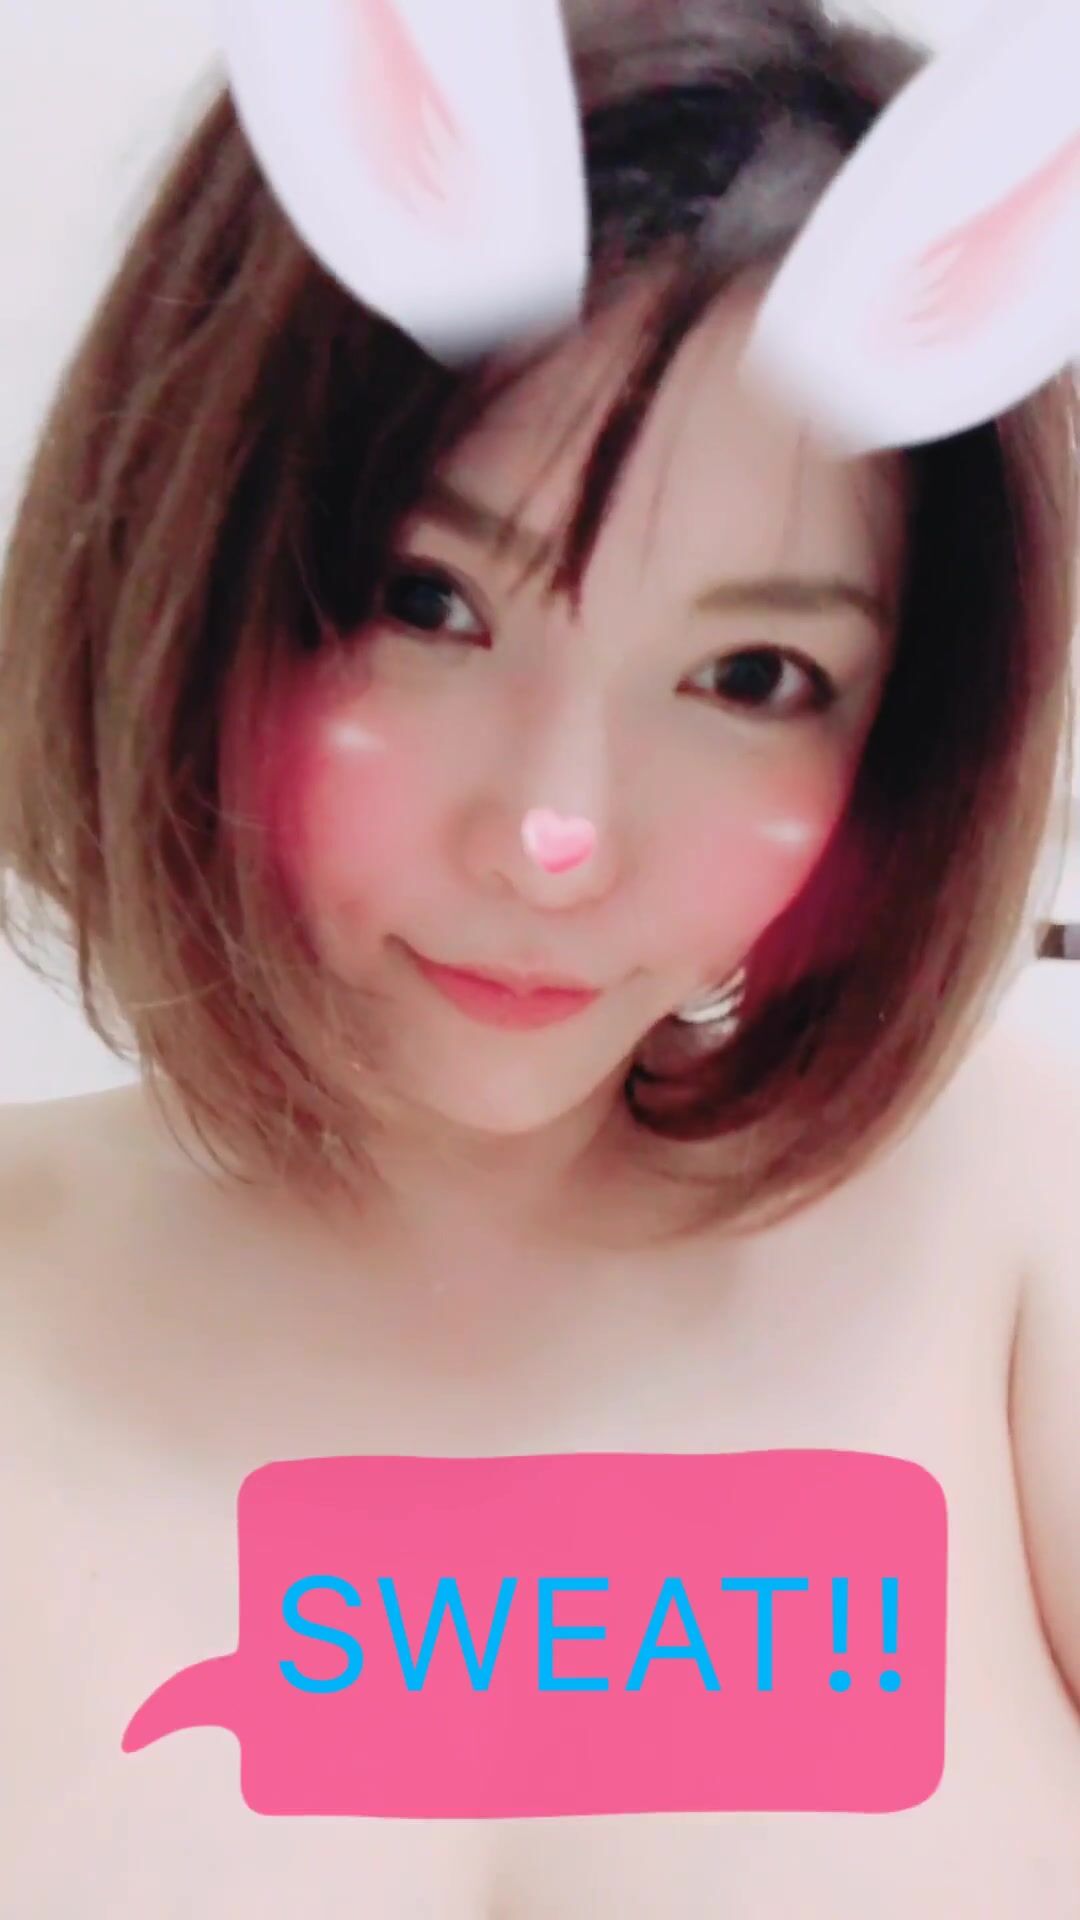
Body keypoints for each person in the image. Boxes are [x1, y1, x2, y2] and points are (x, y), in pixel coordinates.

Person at [1, 0, 1078, 1912]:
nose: (553, 836)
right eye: (427, 602)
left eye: (753, 675)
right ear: (191, 567)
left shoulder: (1021, 1218)